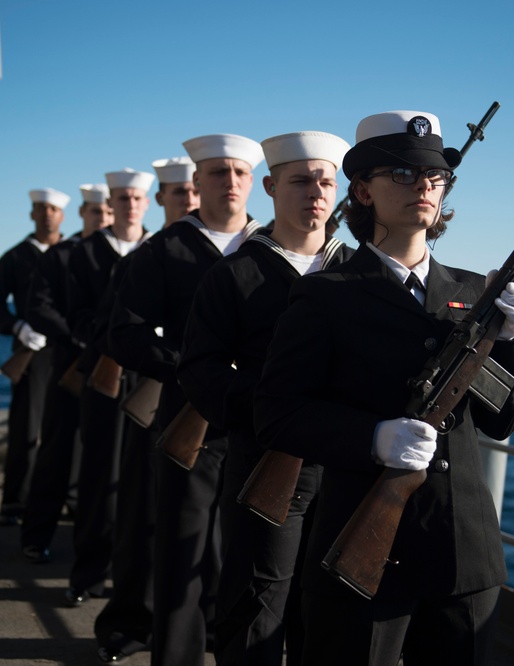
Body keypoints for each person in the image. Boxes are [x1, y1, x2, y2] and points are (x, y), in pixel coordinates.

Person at [253, 110, 514, 666]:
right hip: (363, 548)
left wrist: (507, 338)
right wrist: (372, 437)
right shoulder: (326, 296)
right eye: (403, 174)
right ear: (362, 190)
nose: (424, 188)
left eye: (434, 177)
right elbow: (276, 413)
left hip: (464, 550)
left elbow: (503, 421)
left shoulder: (473, 293)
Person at [178, 131, 352, 666]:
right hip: (266, 458)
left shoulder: (355, 273)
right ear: (272, 187)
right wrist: (273, 408)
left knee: (328, 611)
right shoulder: (236, 274)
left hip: (345, 465)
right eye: (300, 181)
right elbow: (200, 371)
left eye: (326, 182)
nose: (316, 193)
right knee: (257, 607)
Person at [107, 134, 264, 666]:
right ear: (195, 184)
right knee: (181, 550)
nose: (231, 183)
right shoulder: (165, 249)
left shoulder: (270, 247)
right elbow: (125, 333)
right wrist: (194, 369)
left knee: (249, 554)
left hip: (256, 422)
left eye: (240, 173)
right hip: (188, 415)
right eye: (219, 173)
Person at [93, 155, 199, 663]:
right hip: (154, 393)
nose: (188, 201)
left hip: (213, 407)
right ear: (163, 199)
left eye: (190, 192)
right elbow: (113, 326)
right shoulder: (152, 254)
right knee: (140, 512)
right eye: (178, 194)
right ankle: (130, 619)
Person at [64, 169, 155, 606]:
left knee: (141, 484)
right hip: (105, 366)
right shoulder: (85, 252)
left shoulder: (159, 249)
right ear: (111, 203)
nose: (130, 205)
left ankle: (135, 579)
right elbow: (75, 312)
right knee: (99, 476)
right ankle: (88, 575)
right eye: (122, 198)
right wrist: (110, 342)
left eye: (137, 197)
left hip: (149, 374)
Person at [19, 184, 113, 565]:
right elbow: (38, 306)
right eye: (96, 212)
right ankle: (36, 535)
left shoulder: (134, 256)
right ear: (83, 214)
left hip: (114, 369)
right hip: (71, 365)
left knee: (110, 459)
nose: (103, 219)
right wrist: (77, 334)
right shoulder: (61, 256)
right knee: (57, 451)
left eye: (108, 213)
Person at [0, 187, 67, 526]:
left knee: (67, 429)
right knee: (26, 430)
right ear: (31, 214)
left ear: (62, 215)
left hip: (67, 350)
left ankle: (69, 498)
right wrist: (17, 328)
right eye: (40, 208)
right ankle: (15, 503)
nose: (47, 214)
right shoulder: (15, 257)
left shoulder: (74, 251)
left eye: (52, 209)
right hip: (32, 352)